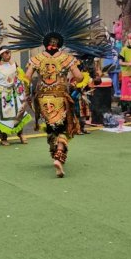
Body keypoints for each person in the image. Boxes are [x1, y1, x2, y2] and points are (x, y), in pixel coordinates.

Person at [24, 32, 84, 178]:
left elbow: (26, 78)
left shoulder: (36, 58)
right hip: (60, 97)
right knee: (63, 126)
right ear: (59, 44)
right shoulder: (66, 58)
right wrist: (74, 83)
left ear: (45, 44)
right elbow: (79, 77)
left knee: (51, 126)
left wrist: (28, 93)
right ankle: (59, 155)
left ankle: (54, 150)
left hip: (43, 98)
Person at [0, 47, 31, 146]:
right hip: (0, 94)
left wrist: (23, 92)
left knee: (19, 113)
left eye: (9, 52)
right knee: (3, 115)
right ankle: (3, 137)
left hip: (13, 93)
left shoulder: (14, 65)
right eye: (5, 53)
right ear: (1, 55)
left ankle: (21, 134)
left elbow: (19, 79)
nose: (8, 55)